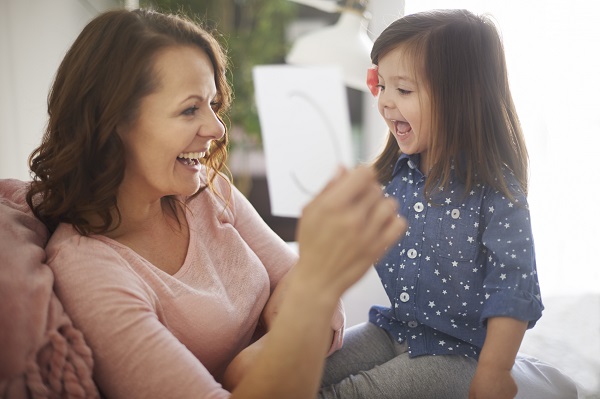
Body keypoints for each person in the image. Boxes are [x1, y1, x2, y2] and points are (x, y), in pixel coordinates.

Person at [24, 8, 406, 399]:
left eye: (212, 104)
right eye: (190, 109)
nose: (217, 128)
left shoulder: (207, 191)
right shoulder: (89, 271)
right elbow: (307, 293)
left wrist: (250, 364)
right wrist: (314, 293)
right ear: (112, 122)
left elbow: (301, 286)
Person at [318, 9, 578, 399]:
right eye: (382, 86)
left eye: (403, 90)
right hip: (394, 329)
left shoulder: (496, 192)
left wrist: (495, 369)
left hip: (457, 357)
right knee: (302, 372)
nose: (386, 103)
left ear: (459, 98)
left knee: (343, 394)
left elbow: (513, 287)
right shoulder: (393, 177)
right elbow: (339, 246)